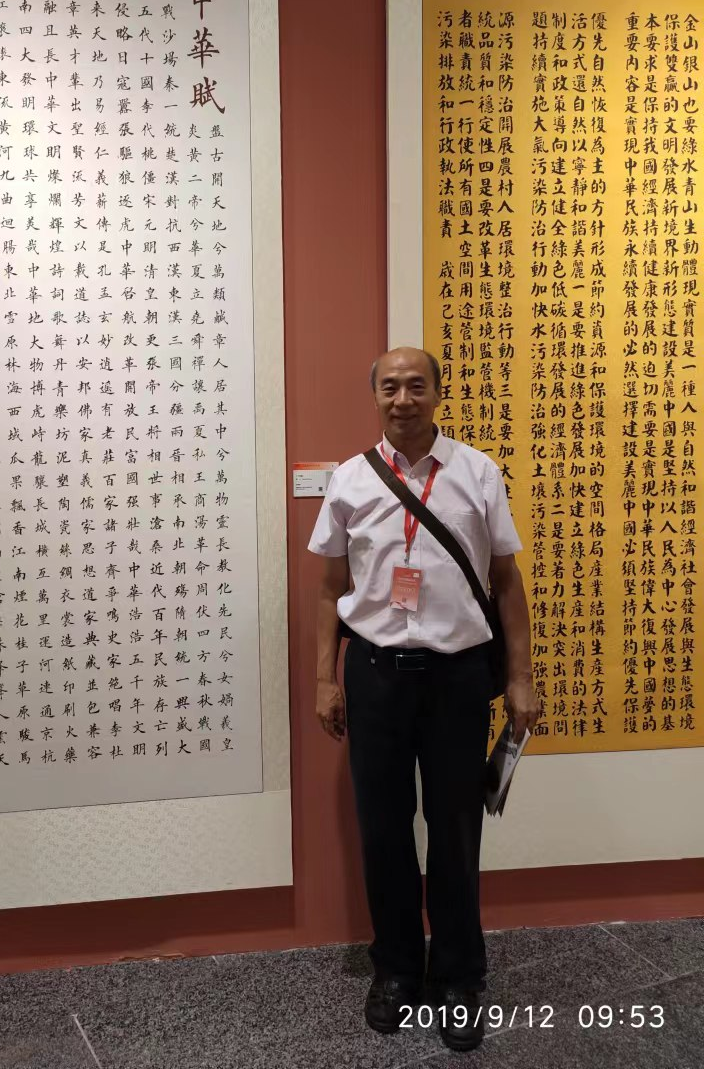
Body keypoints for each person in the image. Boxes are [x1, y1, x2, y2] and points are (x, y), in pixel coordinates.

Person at [308, 347, 540, 1054]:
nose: (403, 398)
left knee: (456, 830)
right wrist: (325, 677)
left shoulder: (477, 472)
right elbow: (330, 589)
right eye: (390, 386)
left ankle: (461, 976)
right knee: (382, 830)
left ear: (439, 392)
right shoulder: (350, 480)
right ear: (375, 396)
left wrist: (521, 677)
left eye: (416, 385)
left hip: (457, 678)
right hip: (376, 675)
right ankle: (397, 969)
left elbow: (506, 582)